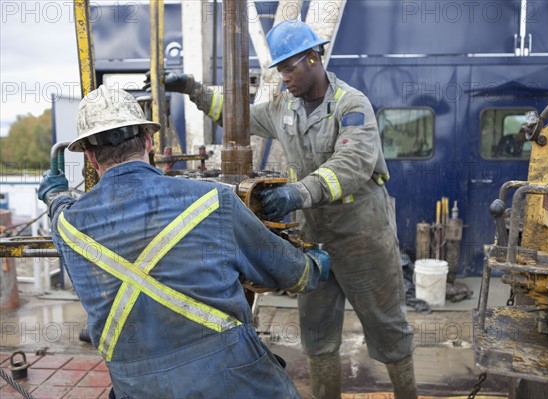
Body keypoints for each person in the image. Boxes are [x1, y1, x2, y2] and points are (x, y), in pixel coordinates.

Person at [150, 19, 417, 398]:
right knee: (317, 336)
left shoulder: (352, 105)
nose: (284, 77)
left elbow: (353, 163)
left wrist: (297, 193)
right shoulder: (283, 107)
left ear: (313, 59)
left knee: (389, 329)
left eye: (289, 68)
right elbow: (237, 116)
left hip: (363, 238)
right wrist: (193, 89)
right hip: (313, 241)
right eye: (280, 70)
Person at [37, 85, 330, 398]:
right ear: (148, 142)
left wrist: (55, 195)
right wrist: (316, 264)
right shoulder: (214, 201)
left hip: (139, 389)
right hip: (233, 382)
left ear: (92, 158)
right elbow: (295, 275)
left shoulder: (67, 227)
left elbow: (60, 209)